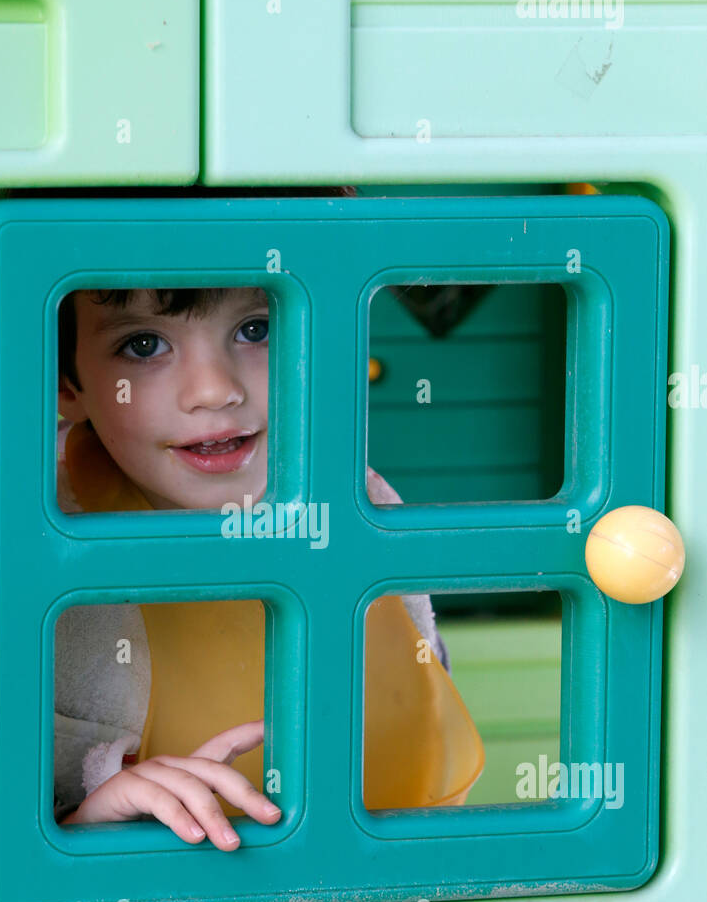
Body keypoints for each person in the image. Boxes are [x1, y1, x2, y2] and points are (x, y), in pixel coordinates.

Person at [54, 281, 483, 848]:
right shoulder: (42, 549)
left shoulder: (366, 502)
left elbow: (417, 699)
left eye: (256, 330)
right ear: (68, 384)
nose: (214, 391)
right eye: (143, 345)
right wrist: (88, 830)